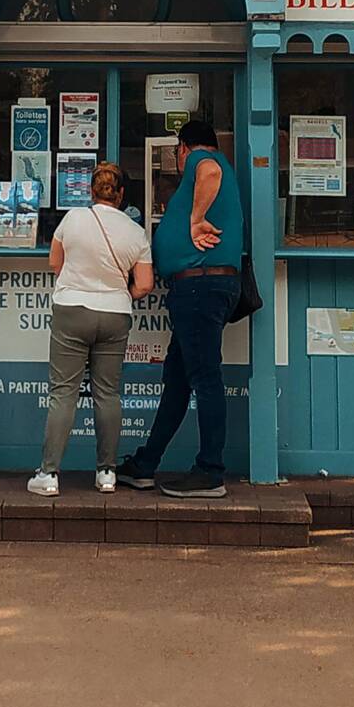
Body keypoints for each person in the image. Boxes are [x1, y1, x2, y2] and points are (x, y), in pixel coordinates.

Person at [120, 119, 245, 498]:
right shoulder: (213, 168)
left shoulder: (203, 159)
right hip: (198, 287)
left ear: (183, 147)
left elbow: (208, 169)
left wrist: (193, 219)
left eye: (177, 151)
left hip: (200, 286)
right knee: (177, 381)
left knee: (205, 378)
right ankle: (145, 464)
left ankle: (210, 470)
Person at [27, 161, 154, 497]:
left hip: (72, 310)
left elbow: (55, 263)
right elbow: (144, 284)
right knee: (108, 394)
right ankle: (107, 473)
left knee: (63, 393)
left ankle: (49, 474)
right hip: (114, 314)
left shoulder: (73, 219)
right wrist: (118, 293)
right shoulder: (134, 231)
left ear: (90, 190)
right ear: (122, 194)